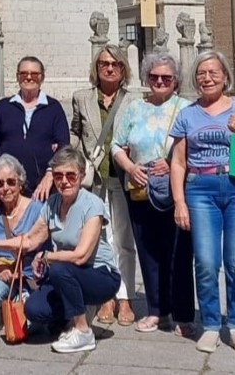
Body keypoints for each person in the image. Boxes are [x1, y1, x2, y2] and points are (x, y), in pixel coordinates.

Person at [0, 146, 121, 353]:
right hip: (70, 274)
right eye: (59, 176)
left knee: (59, 269)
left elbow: (81, 256)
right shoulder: (52, 203)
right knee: (34, 310)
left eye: (70, 175)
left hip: (100, 275)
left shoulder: (92, 205)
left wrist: (46, 256)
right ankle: (68, 320)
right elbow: (29, 240)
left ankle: (82, 331)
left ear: (81, 175)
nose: (64, 181)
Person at [169, 50, 235, 354]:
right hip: (200, 189)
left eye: (213, 72)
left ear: (225, 76)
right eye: (201, 73)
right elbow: (178, 163)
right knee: (207, 262)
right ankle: (211, 324)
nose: (207, 78)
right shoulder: (187, 114)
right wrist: (179, 201)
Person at [111, 52, 194, 336]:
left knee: (178, 254)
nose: (159, 81)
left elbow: (195, 148)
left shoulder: (185, 108)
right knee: (148, 254)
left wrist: (172, 163)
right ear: (147, 79)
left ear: (176, 81)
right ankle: (157, 311)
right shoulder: (134, 108)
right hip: (140, 190)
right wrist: (131, 168)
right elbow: (116, 145)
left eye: (166, 78)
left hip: (175, 193)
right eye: (154, 77)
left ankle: (183, 314)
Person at [69, 46, 139, 327]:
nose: (109, 68)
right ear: (95, 68)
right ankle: (105, 296)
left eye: (115, 64)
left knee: (124, 240)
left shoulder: (135, 100)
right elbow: (75, 132)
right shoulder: (81, 98)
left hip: (123, 177)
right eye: (103, 64)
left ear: (123, 69)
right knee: (99, 240)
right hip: (93, 178)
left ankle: (126, 298)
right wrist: (71, 158)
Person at [0, 154, 46, 324]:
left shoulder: (37, 210)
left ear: (20, 183)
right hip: (1, 275)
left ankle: (15, 308)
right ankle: (7, 307)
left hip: (30, 277)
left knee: (31, 321)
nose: (6, 188)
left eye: (11, 182)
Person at [0, 56, 70, 199]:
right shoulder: (4, 106)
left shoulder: (53, 107)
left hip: (43, 188)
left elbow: (64, 145)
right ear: (17, 77)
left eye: (34, 74)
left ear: (42, 77)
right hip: (9, 186)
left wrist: (50, 174)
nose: (29, 77)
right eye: (24, 73)